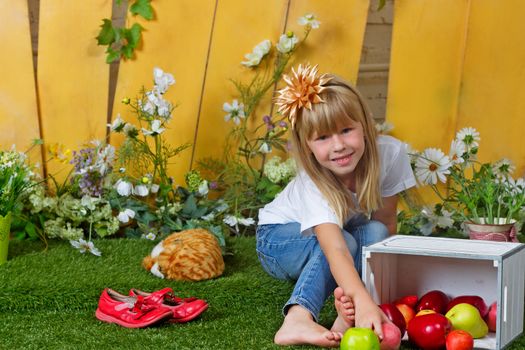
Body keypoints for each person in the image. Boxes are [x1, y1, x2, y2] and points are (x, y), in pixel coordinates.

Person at [256, 64, 416, 347]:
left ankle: (346, 317)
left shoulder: (390, 154)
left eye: (346, 130)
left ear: (365, 126)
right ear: (307, 146)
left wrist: (374, 296)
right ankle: (297, 316)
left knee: (376, 232)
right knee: (342, 240)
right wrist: (363, 299)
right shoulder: (314, 182)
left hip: (342, 234)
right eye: (323, 137)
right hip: (277, 241)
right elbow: (336, 249)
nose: (338, 145)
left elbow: (387, 222)